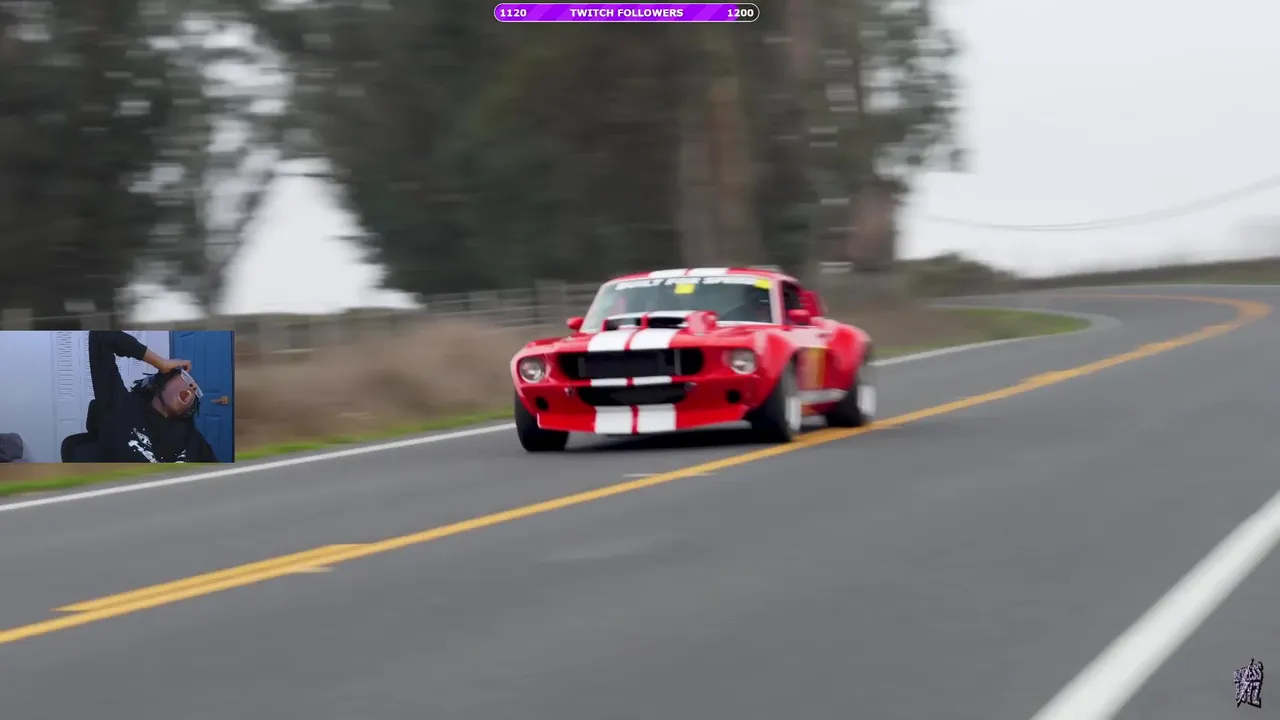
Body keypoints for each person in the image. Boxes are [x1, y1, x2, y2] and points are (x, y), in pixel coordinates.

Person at [83, 330, 219, 463]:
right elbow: (100, 334)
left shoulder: (193, 439)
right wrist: (161, 362)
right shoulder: (119, 405)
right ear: (163, 379)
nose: (193, 387)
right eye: (186, 377)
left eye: (197, 391)